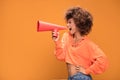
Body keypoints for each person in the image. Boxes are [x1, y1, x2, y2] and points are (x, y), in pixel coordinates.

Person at [52, 6, 108, 80]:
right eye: (67, 22)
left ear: (78, 23)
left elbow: (103, 60)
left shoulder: (88, 44)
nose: (67, 25)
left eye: (70, 22)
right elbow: (61, 56)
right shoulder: (66, 37)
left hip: (82, 77)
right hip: (71, 78)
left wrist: (87, 71)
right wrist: (56, 41)